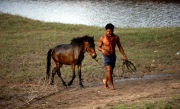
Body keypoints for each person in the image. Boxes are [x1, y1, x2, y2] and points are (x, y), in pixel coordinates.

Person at [98, 23, 128, 90]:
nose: (109, 33)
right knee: (109, 70)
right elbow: (99, 47)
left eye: (110, 31)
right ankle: (112, 85)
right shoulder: (102, 38)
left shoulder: (116, 38)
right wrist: (102, 50)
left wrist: (124, 56)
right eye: (107, 31)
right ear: (105, 31)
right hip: (105, 56)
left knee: (110, 71)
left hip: (113, 56)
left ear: (113, 30)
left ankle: (105, 80)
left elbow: (120, 47)